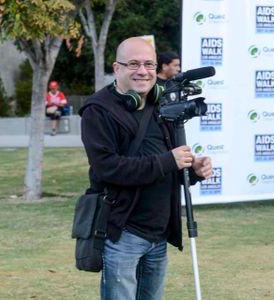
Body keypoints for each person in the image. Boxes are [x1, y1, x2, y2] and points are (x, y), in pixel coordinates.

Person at [79, 37, 212, 300]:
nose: (143, 71)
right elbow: (109, 168)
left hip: (159, 233)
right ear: (117, 68)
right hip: (122, 235)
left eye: (149, 64)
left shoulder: (161, 105)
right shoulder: (97, 110)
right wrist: (168, 160)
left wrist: (193, 169)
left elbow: (169, 165)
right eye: (134, 64)